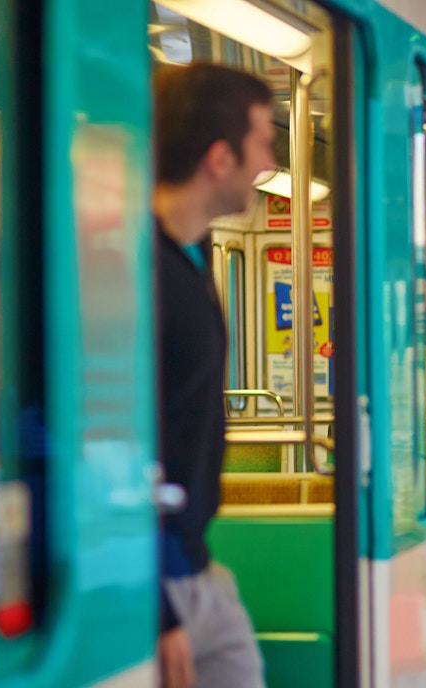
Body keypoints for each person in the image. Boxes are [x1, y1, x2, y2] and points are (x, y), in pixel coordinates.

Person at [153, 63, 275, 688]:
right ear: (220, 157)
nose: (270, 160)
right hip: (156, 579)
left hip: (192, 567)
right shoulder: (139, 274)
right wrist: (158, 606)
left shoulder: (192, 255)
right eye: (262, 141)